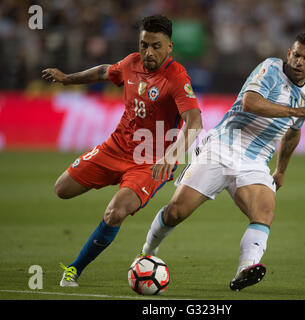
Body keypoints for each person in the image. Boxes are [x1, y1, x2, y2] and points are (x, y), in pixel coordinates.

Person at [140, 32, 305, 291]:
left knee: (264, 212)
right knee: (176, 212)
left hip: (256, 160)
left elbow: (293, 132)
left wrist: (281, 170)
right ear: (288, 53)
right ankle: (147, 251)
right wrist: (295, 111)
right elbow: (251, 103)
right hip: (223, 146)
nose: (298, 61)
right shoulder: (270, 68)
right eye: (295, 54)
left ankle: (244, 270)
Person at [42, 15, 202, 287]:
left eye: (156, 46)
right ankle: (115, 181)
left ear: (170, 46)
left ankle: (74, 269)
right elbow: (105, 71)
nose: (149, 52)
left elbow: (195, 123)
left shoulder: (177, 77)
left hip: (149, 161)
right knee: (62, 189)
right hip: (115, 147)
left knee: (115, 213)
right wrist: (68, 80)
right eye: (144, 45)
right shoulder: (131, 63)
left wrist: (171, 156)